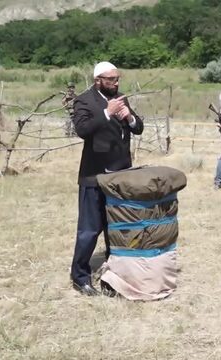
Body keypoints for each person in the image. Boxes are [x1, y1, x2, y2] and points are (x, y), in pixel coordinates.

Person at [70, 61, 144, 296]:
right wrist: (106, 113)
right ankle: (80, 276)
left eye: (118, 78)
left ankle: (115, 275)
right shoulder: (84, 100)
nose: (116, 82)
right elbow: (82, 130)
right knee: (89, 230)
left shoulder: (121, 98)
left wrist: (129, 117)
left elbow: (138, 128)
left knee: (117, 226)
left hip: (121, 174)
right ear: (98, 80)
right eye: (111, 79)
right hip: (95, 176)